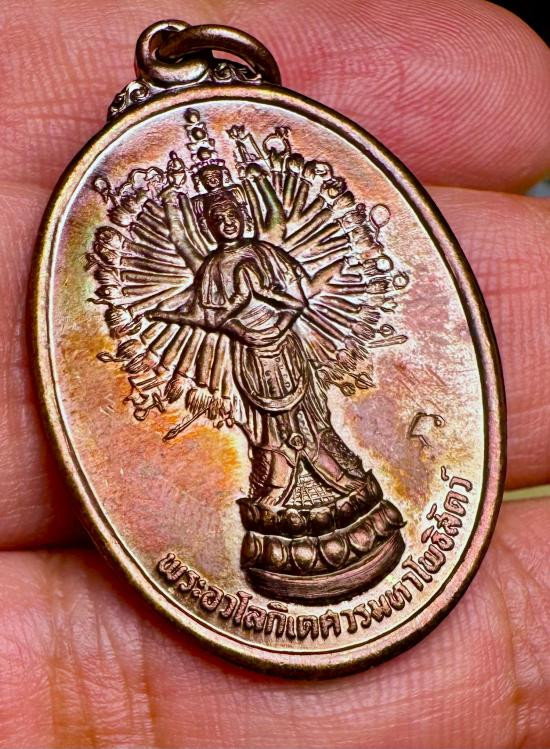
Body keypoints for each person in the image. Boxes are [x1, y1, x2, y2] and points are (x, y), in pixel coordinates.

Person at [2, 0, 550, 746]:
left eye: (234, 215)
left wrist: (268, 307)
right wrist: (225, 317)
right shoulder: (217, 268)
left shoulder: (263, 255)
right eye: (217, 221)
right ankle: (283, 512)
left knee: (314, 429)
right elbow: (206, 312)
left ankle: (343, 503)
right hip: (252, 365)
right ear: (208, 226)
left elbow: (294, 295)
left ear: (245, 212)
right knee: (269, 443)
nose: (228, 225)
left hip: (289, 352)